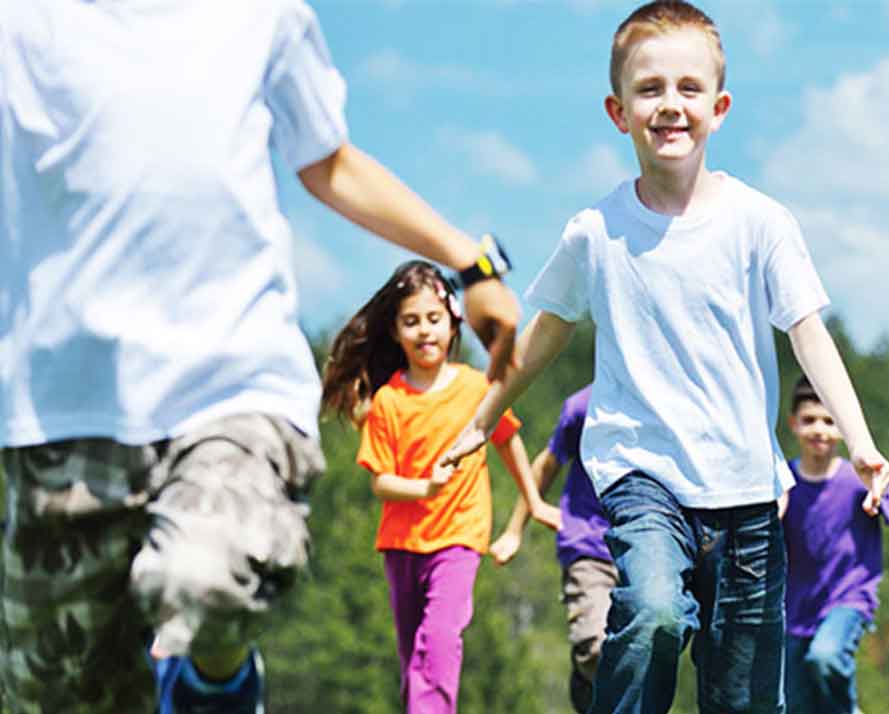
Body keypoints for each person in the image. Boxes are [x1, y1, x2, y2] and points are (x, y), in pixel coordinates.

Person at [0, 1, 522, 709]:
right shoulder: (22, 22)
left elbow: (329, 162)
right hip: (63, 405)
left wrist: (471, 264)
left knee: (208, 584)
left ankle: (211, 682)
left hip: (232, 387)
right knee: (60, 691)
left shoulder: (259, 13)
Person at [440, 3, 889, 711]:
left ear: (719, 107)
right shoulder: (595, 232)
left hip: (745, 487)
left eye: (688, 88)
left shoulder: (760, 222)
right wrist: (481, 419)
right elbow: (545, 334)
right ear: (618, 112)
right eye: (649, 89)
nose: (670, 104)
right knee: (652, 613)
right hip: (641, 472)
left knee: (742, 695)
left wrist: (860, 442)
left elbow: (808, 334)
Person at [320, 262, 553, 713]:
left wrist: (533, 501)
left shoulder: (476, 387)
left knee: (440, 640)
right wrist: (424, 488)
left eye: (433, 319)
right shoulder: (389, 401)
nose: (424, 331)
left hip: (458, 540)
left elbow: (507, 440)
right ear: (395, 331)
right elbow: (382, 482)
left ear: (453, 323)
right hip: (402, 545)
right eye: (411, 321)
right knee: (414, 659)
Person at [782, 378, 889, 712]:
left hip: (848, 598)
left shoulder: (856, 479)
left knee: (826, 656)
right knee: (796, 705)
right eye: (809, 420)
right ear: (793, 424)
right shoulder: (785, 482)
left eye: (829, 421)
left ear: (842, 428)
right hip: (795, 609)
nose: (819, 430)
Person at [489, 385, 612, 713]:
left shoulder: (672, 399)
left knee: (648, 645)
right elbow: (547, 464)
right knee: (597, 648)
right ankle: (586, 680)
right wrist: (515, 528)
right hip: (589, 545)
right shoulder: (583, 406)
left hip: (653, 548)